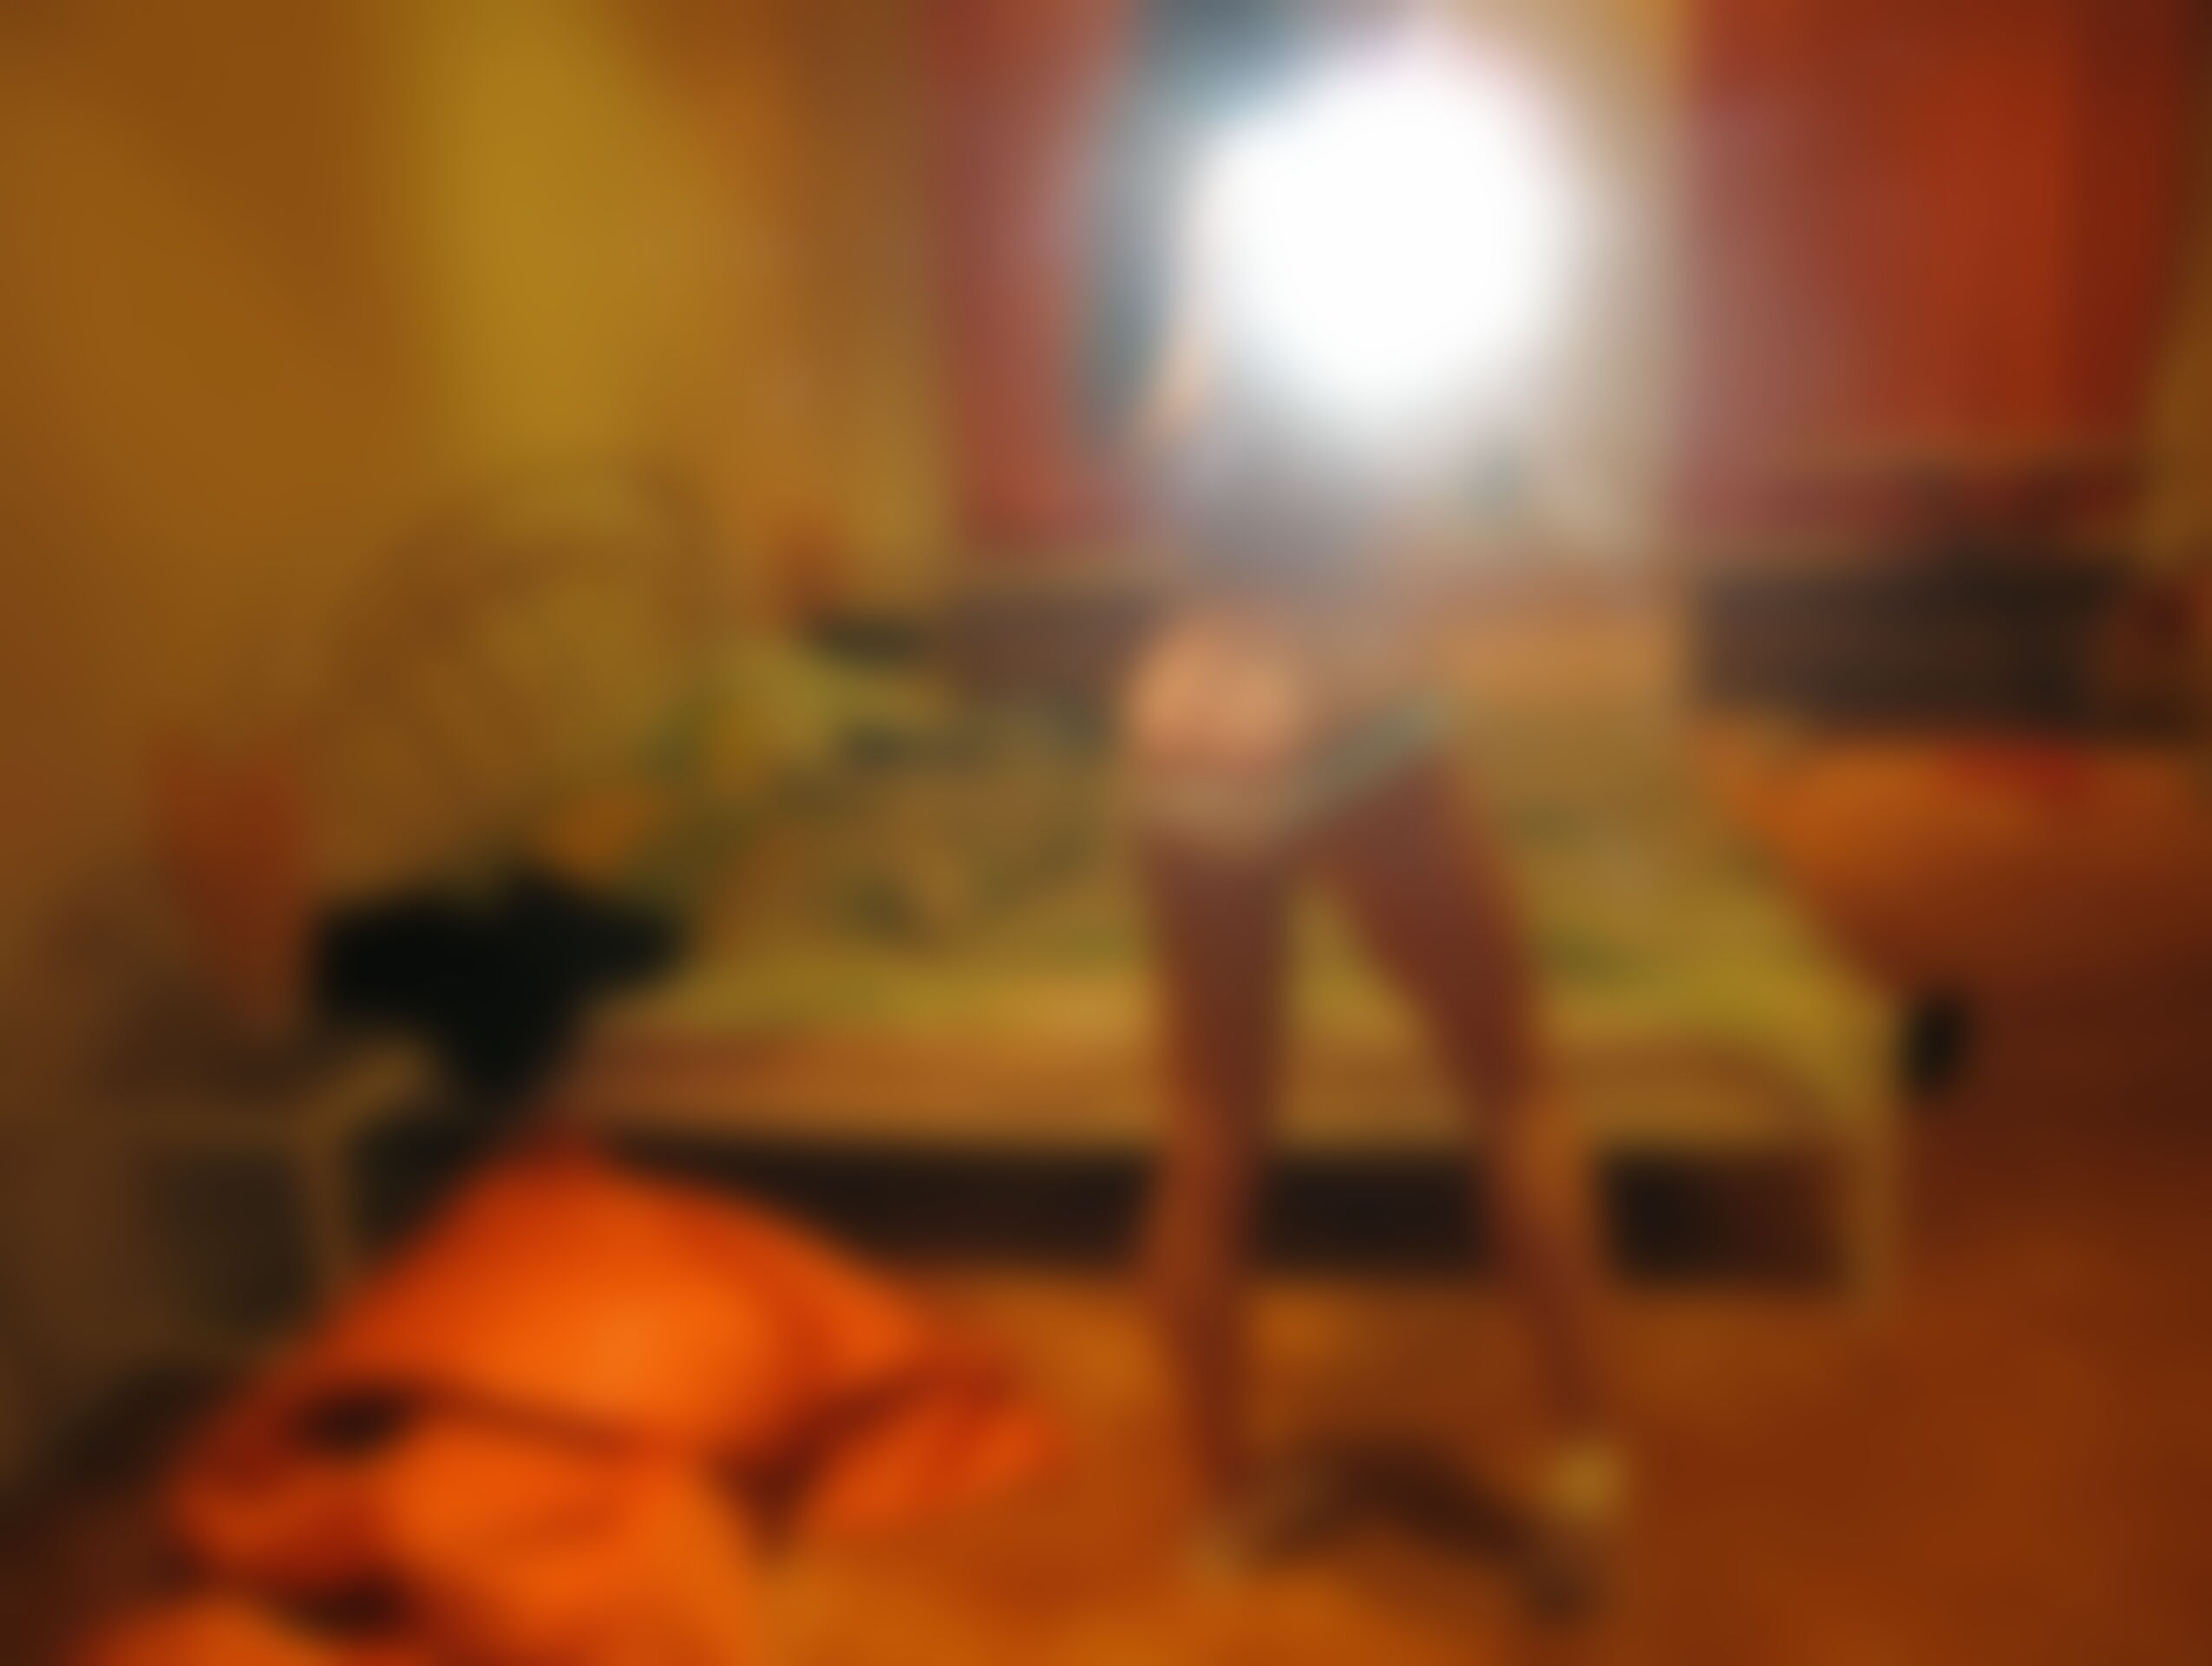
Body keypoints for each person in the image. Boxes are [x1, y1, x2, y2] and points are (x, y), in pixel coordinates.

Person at [1096, 0, 1623, 1605]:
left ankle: (1220, 1506)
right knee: (1514, 1084)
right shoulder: (1384, 195)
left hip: (1185, 705)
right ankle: (1582, 1488)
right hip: (1341, 685)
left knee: (1208, 1128)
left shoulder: (1188, 194)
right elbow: (1489, 469)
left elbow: (1162, 441)